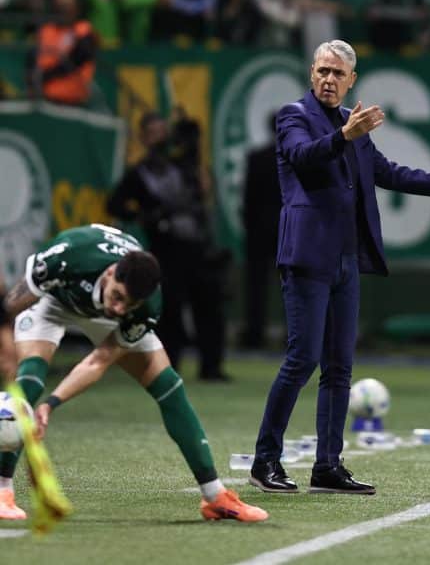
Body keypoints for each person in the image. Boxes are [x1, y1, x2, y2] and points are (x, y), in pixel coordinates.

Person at [250, 39, 430, 494]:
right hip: (307, 255)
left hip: (345, 259)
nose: (328, 79)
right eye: (322, 70)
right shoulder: (294, 116)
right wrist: (344, 136)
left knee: (340, 367)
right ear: (311, 72)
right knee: (303, 359)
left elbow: (386, 172)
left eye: (338, 74)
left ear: (351, 80)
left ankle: (327, 465)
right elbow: (303, 156)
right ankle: (266, 461)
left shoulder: (350, 125)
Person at [0, 224, 266, 521]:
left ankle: (215, 496)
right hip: (53, 301)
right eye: (117, 296)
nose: (118, 307)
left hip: (100, 318)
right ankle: (2, 491)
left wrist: (52, 404)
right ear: (111, 272)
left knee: (169, 387)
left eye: (128, 303)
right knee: (28, 384)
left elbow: (99, 361)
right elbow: (7, 309)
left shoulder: (144, 304)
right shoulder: (65, 257)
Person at [107, 110, 229, 381]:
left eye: (164, 131)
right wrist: (145, 216)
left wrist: (193, 144)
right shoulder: (139, 174)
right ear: (143, 137)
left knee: (209, 306)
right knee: (169, 311)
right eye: (154, 132)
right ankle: (168, 366)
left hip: (197, 246)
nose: (161, 138)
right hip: (166, 250)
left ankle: (212, 367)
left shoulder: (183, 167)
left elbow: (203, 189)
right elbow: (114, 204)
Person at [240, 113, 282, 348]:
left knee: (256, 287)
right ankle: (295, 338)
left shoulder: (257, 158)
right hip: (289, 232)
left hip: (258, 233)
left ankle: (255, 336)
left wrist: (251, 228)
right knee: (294, 289)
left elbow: (248, 200)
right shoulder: (297, 159)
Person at [25, 0, 97, 106]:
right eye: (60, 5)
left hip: (73, 100)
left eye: (67, 5)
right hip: (44, 100)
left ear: (77, 8)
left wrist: (46, 76)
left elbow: (79, 57)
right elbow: (33, 56)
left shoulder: (83, 31)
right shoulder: (47, 30)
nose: (63, 9)